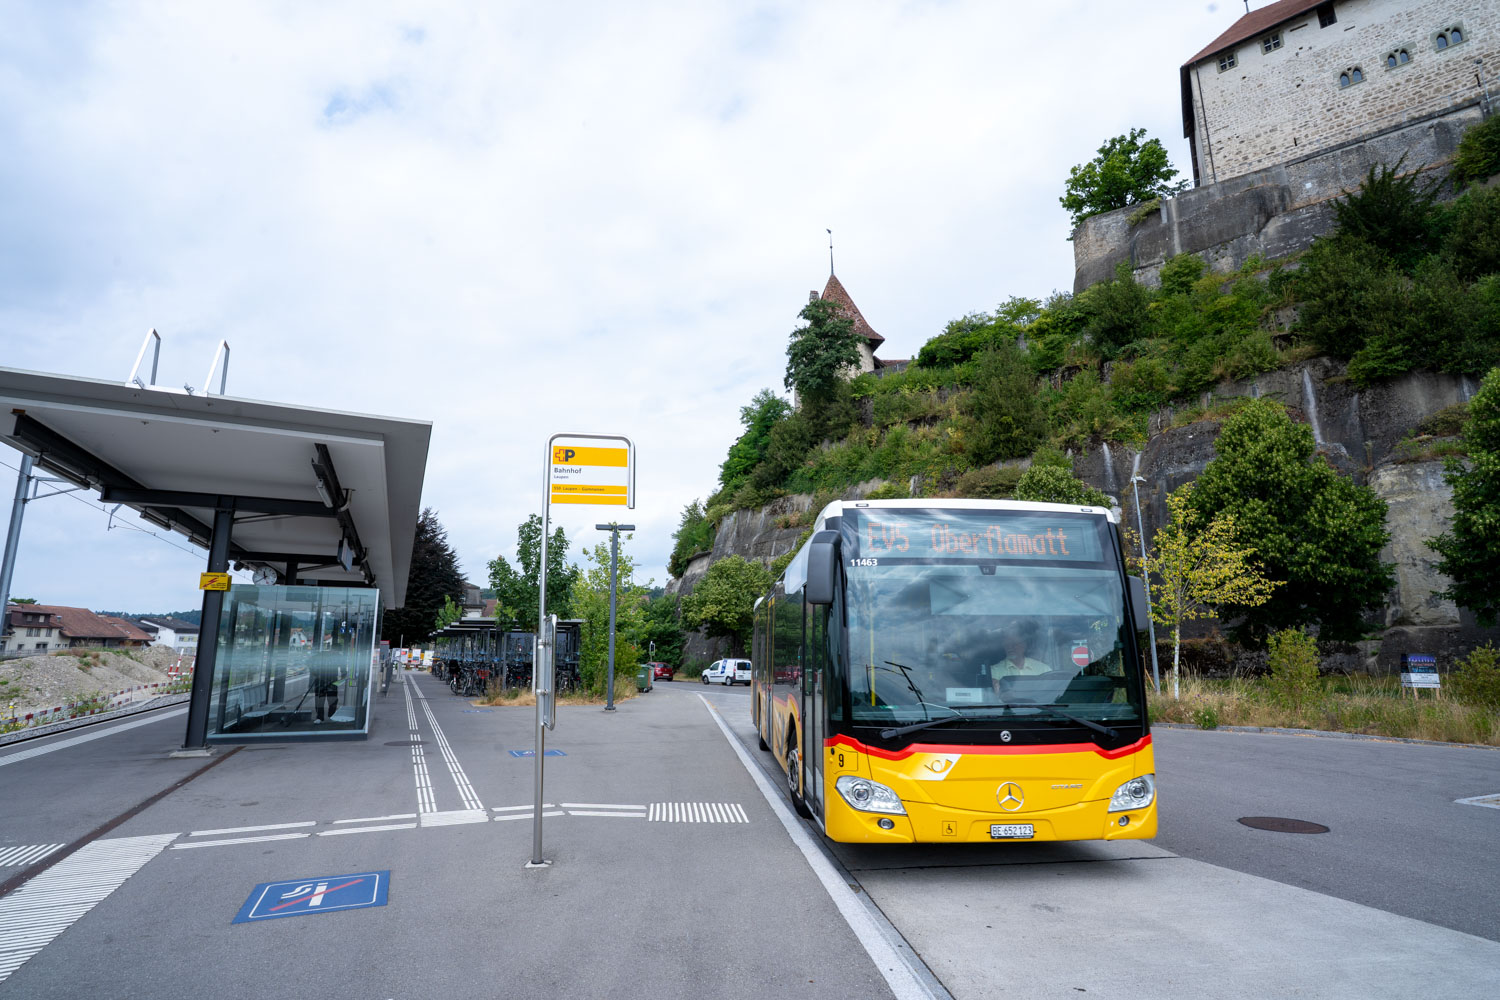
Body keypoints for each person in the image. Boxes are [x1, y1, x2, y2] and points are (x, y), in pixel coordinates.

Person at [985, 622, 1051, 693]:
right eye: (1007, 644)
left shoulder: (1044, 670)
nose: (1010, 647)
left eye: (1014, 644)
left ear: (1025, 645)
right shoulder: (993, 671)